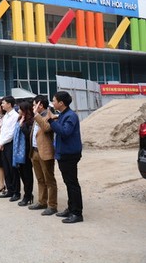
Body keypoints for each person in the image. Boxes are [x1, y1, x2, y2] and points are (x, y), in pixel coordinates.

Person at [48, 91, 84, 224]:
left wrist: (51, 120)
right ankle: (71, 208)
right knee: (68, 182)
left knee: (72, 183)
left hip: (70, 154)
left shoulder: (71, 116)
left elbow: (65, 132)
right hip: (64, 154)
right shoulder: (63, 114)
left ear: (61, 103)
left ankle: (77, 213)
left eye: (54, 101)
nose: (53, 103)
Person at [29, 95, 58, 216]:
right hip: (35, 151)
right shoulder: (37, 116)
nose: (33, 107)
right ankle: (42, 201)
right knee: (40, 179)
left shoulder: (51, 116)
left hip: (45, 153)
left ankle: (52, 205)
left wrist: (36, 115)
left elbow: (46, 128)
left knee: (49, 180)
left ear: (40, 105)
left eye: (35, 104)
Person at [0, 96, 20, 202]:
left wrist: (2, 142)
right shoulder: (6, 115)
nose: (2, 105)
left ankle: (16, 192)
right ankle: (9, 189)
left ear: (9, 104)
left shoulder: (15, 116)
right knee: (6, 168)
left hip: (10, 144)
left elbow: (11, 133)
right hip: (3, 145)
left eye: (3, 103)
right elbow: (3, 131)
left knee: (13, 169)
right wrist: (0, 143)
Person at [13, 101, 34, 206]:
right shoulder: (19, 119)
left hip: (26, 151)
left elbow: (28, 135)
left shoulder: (30, 121)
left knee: (27, 174)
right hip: (18, 151)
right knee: (21, 173)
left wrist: (22, 126)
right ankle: (28, 194)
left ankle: (28, 195)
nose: (18, 110)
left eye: (20, 109)